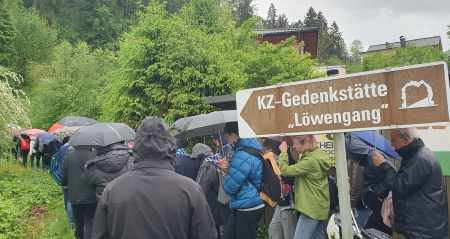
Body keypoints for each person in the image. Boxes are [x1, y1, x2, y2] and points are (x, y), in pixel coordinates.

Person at [91, 116, 217, 239]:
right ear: (171, 147)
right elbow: (206, 234)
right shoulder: (190, 190)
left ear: (136, 147)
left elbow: (99, 234)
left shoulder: (112, 190)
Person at [373, 128, 449, 239]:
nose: (391, 144)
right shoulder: (417, 155)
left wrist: (383, 166)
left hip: (423, 230)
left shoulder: (418, 159)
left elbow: (400, 186)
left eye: (393, 140)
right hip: (424, 226)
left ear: (406, 140)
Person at [279, 135, 330, 239]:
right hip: (318, 205)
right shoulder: (317, 156)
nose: (293, 147)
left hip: (310, 208)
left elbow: (285, 171)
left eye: (296, 144)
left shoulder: (309, 161)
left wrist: (284, 153)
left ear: (305, 145)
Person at [221, 122, 265, 239]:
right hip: (246, 204)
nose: (228, 141)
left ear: (234, 135)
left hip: (247, 207)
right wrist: (229, 170)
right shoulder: (251, 149)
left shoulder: (241, 154)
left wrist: (227, 173)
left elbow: (230, 188)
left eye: (228, 137)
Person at [194, 143, 230, 239]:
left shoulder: (206, 166)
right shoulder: (218, 161)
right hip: (222, 203)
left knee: (214, 232)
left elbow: (201, 189)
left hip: (212, 206)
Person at [61, 145, 97, 239]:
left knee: (78, 221)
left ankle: (79, 236)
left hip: (74, 194)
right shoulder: (94, 156)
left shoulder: (69, 157)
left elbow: (64, 174)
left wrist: (64, 183)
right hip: (91, 193)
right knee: (89, 222)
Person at [265, 139, 297, 239]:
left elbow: (287, 179)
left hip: (288, 205)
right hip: (280, 205)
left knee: (289, 235)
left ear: (270, 149)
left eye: (265, 149)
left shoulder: (282, 163)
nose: (263, 152)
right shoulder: (273, 163)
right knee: (274, 231)